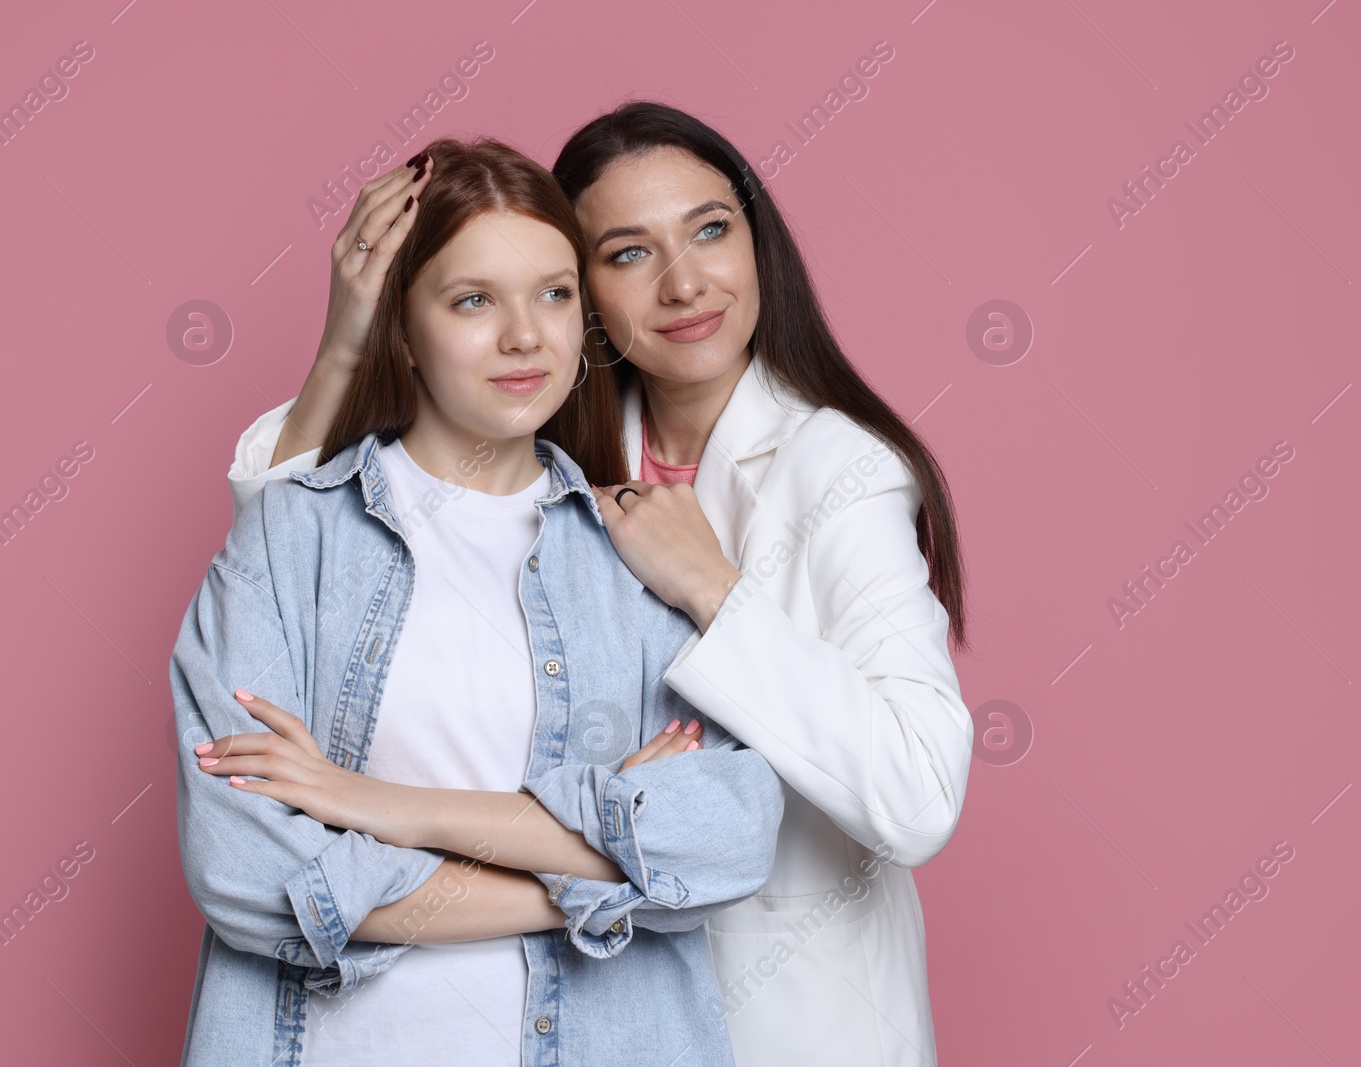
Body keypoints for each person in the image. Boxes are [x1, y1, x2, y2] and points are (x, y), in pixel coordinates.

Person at [227, 102, 973, 1066]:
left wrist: (714, 590)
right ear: (580, 293)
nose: (686, 282)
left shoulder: (839, 472)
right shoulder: (541, 434)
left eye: (711, 229)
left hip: (791, 1016)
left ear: (759, 244)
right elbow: (280, 577)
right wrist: (344, 345)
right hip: (593, 1008)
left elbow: (917, 796)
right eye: (625, 254)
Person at [172, 136, 783, 1067]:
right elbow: (248, 871)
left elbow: (727, 839)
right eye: (471, 301)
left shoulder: (643, 553)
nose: (524, 337)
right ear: (404, 331)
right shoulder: (291, 539)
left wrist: (370, 806)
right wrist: (603, 873)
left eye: (554, 293)